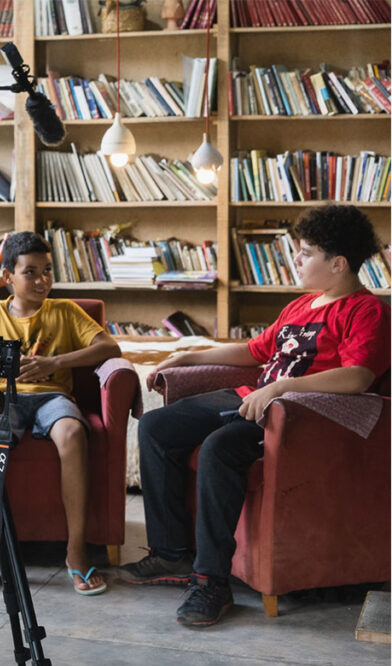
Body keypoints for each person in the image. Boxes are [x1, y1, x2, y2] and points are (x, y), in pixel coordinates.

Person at [118, 204, 391, 627]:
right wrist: (189, 355)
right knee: (156, 426)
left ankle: (211, 582)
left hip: (299, 419)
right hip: (252, 397)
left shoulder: (367, 311)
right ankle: (171, 554)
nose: (296, 260)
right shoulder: (300, 307)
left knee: (219, 447)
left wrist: (281, 387)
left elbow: (357, 377)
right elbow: (253, 351)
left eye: (305, 253)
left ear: (337, 264)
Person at [0, 231, 121, 596]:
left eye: (48, 270)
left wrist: (55, 362)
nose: (42, 280)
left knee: (73, 433)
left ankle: (76, 552)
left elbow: (109, 345)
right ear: (8, 278)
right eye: (30, 272)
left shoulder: (64, 311)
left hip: (52, 397)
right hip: (4, 399)